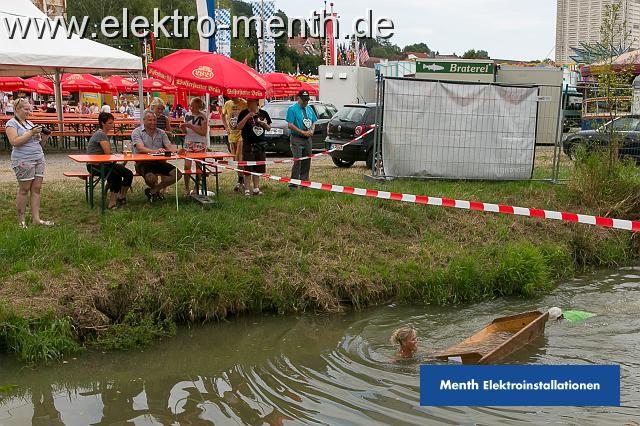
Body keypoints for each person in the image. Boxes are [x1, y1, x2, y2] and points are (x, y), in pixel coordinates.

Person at [5, 98, 53, 228]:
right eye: (25, 109)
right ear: (17, 109)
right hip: (23, 159)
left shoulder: (29, 123)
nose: (28, 111)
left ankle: (36, 219)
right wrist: (31, 133)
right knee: (24, 189)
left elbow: (39, 144)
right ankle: (21, 221)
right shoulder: (11, 124)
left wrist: (44, 138)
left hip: (38, 157)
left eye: (29, 109)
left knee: (36, 189)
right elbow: (14, 141)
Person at [86, 112, 134, 209]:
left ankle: (122, 196)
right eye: (110, 123)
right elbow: (108, 153)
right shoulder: (101, 134)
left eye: (112, 123)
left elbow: (108, 155)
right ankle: (112, 203)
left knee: (128, 173)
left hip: (104, 164)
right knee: (115, 176)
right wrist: (118, 156)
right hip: (95, 165)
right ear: (103, 123)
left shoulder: (102, 134)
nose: (112, 125)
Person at [132, 111, 182, 202]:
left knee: (177, 174)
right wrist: (155, 151)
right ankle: (156, 192)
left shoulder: (162, 132)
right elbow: (140, 149)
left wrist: (179, 150)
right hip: (142, 163)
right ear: (144, 120)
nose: (153, 122)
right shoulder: (137, 132)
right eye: (150, 120)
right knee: (151, 178)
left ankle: (153, 190)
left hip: (159, 162)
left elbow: (169, 147)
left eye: (154, 120)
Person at [237, 98, 272, 196]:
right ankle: (247, 189)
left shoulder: (264, 113)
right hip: (248, 143)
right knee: (248, 167)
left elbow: (269, 128)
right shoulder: (243, 113)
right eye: (247, 101)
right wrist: (247, 117)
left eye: (250, 102)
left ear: (256, 102)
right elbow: (238, 127)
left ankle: (256, 188)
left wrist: (264, 124)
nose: (248, 103)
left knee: (259, 167)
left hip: (260, 143)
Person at [286, 90, 317, 190]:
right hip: (297, 138)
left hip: (307, 138)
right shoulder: (292, 109)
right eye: (304, 100)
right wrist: (302, 132)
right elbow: (290, 125)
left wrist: (312, 130)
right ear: (298, 98)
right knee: (298, 161)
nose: (306, 102)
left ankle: (304, 183)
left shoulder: (309, 109)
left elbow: (313, 121)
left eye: (307, 100)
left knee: (307, 160)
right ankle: (293, 184)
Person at [180, 97, 208, 196]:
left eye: (195, 107)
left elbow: (203, 132)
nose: (192, 108)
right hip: (189, 142)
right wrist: (183, 128)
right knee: (187, 166)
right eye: (191, 106)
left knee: (198, 166)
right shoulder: (187, 115)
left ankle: (197, 187)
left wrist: (191, 126)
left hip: (199, 143)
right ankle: (186, 188)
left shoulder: (203, 117)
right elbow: (185, 132)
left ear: (199, 107)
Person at [222, 97, 248, 192]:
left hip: (242, 133)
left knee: (239, 156)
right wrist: (226, 127)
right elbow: (222, 115)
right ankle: (240, 179)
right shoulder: (227, 104)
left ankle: (244, 180)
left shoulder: (244, 103)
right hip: (232, 134)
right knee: (235, 159)